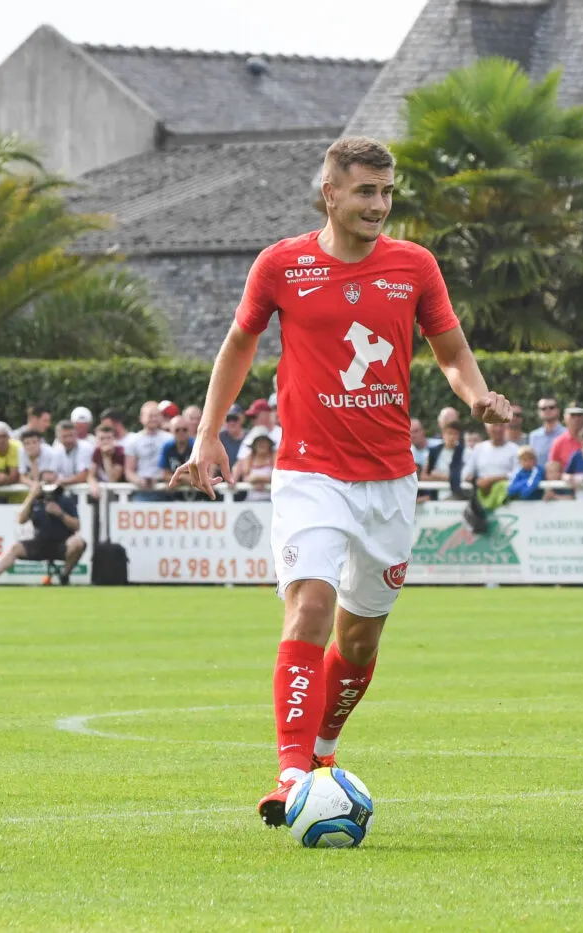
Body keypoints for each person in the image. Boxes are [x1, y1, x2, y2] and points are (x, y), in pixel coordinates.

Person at [166, 136, 512, 827]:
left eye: (387, 193)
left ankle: (324, 751)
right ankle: (291, 770)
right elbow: (238, 345)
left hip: (388, 480)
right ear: (331, 193)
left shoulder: (414, 266)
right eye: (365, 192)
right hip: (307, 473)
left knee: (359, 642)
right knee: (311, 605)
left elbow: (451, 351)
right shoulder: (282, 265)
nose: (379, 205)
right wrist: (209, 435)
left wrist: (476, 395)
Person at [0, 470, 86, 585]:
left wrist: (60, 514)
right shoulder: (36, 501)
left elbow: (76, 526)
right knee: (14, 548)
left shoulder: (65, 500)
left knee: (78, 542)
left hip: (62, 543)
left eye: (52, 481)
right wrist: (31, 496)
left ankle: (64, 576)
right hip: (40, 543)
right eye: (46, 482)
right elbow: (21, 520)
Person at [465, 421, 521, 512]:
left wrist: (492, 480)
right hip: (481, 500)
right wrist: (477, 480)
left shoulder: (515, 449)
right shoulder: (479, 448)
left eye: (501, 425)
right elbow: (466, 473)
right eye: (495, 425)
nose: (498, 429)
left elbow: (518, 473)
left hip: (508, 502)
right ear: (487, 429)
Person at [124, 405, 174, 501]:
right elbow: (129, 471)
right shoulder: (133, 440)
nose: (153, 419)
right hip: (143, 492)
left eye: (156, 415)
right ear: (141, 418)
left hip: (166, 489)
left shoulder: (170, 439)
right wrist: (140, 481)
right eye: (150, 416)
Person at [422, 420, 467, 498]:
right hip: (435, 495)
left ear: (459, 436)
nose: (452, 437)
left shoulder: (464, 452)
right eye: (449, 433)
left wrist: (438, 476)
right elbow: (424, 476)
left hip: (456, 495)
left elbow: (462, 477)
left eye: (455, 434)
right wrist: (448, 477)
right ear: (443, 434)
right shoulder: (434, 451)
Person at [160, 416, 200, 500]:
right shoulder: (167, 447)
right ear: (171, 431)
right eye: (177, 430)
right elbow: (164, 475)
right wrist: (186, 478)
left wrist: (179, 477)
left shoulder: (197, 447)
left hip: (199, 495)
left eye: (184, 429)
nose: (181, 432)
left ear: (189, 430)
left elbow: (199, 478)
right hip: (174, 496)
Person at [231, 428, 277, 501]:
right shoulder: (248, 458)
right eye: (258, 442)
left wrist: (257, 479)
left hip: (271, 501)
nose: (262, 444)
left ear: (269, 444)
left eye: (264, 441)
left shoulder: (275, 456)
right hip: (252, 500)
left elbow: (278, 478)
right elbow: (245, 478)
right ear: (254, 445)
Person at [87, 424, 126, 501]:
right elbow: (91, 475)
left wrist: (106, 456)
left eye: (108, 438)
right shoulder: (97, 452)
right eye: (102, 439)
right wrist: (93, 485)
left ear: (114, 439)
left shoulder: (120, 452)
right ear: (97, 440)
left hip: (120, 494)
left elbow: (112, 479)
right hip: (103, 492)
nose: (105, 441)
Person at [527, 399, 564, 464]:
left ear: (558, 410)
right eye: (543, 408)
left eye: (551, 407)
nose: (547, 410)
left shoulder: (566, 433)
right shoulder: (534, 436)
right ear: (539, 412)